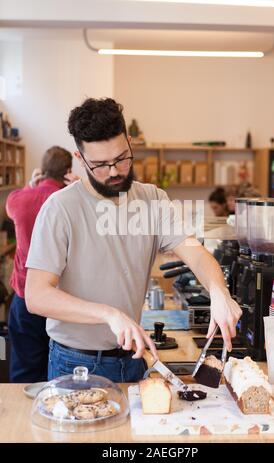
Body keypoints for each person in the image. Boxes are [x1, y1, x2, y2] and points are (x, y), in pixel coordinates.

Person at [25, 98, 242, 382]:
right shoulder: (60, 209)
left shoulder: (153, 200)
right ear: (80, 160)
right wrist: (108, 314)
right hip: (76, 364)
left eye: (121, 159)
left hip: (134, 358)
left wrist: (219, 292)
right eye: (100, 165)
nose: (114, 171)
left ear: (130, 142)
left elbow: (196, 253)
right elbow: (36, 295)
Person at [6, 146, 77, 382]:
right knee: (59, 373)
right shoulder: (71, 202)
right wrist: (79, 187)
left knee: (24, 372)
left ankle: (21, 419)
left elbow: (13, 205)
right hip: (60, 303)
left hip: (25, 300)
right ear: (67, 171)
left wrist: (29, 186)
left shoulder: (18, 200)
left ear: (42, 170)